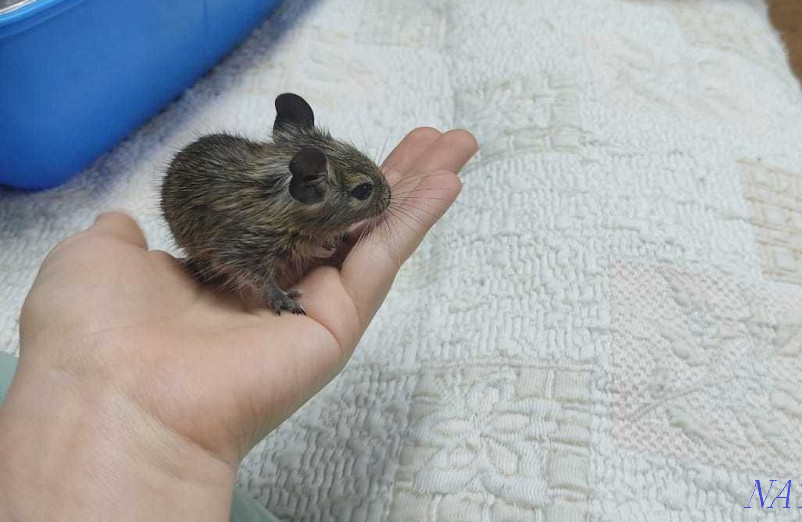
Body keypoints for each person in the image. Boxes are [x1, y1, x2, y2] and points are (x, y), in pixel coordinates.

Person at [0, 128, 478, 521]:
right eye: (361, 195)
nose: (378, 201)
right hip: (212, 229)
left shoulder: (300, 206)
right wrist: (272, 293)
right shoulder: (258, 224)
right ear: (308, 189)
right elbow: (243, 259)